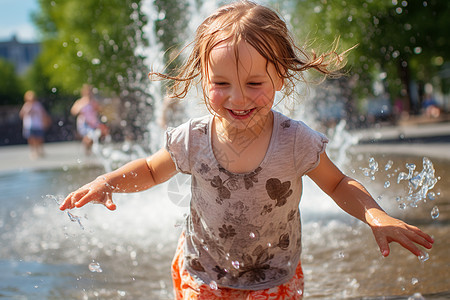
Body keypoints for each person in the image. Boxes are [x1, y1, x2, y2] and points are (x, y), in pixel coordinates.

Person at [60, 1, 434, 299]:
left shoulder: (294, 140)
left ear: (281, 77)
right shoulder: (193, 138)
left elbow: (337, 184)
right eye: (220, 83)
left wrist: (374, 213)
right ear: (202, 79)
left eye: (255, 82)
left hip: (273, 277)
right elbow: (151, 169)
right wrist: (109, 180)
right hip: (203, 274)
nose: (238, 98)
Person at [71, 84, 109, 154]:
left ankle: (90, 148)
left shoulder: (93, 102)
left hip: (93, 122)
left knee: (96, 135)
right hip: (85, 123)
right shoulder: (81, 102)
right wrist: (81, 108)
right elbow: (74, 111)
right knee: (89, 137)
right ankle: (87, 148)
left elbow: (100, 110)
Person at [19, 90, 51, 158]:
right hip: (29, 125)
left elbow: (43, 114)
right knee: (31, 139)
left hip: (38, 124)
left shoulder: (38, 105)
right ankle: (33, 151)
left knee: (39, 138)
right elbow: (21, 115)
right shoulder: (26, 106)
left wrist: (46, 121)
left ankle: (40, 150)